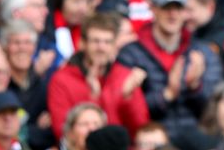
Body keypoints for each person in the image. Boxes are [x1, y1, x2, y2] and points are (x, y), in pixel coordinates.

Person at [117, 0, 222, 137]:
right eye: (166, 8)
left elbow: (213, 107)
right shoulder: (131, 53)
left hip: (194, 138)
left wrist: (195, 87)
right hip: (150, 138)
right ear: (153, 9)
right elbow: (124, 107)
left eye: (178, 8)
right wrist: (167, 95)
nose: (173, 14)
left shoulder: (203, 53)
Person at [47, 12, 150, 141]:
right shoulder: (62, 79)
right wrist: (92, 98)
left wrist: (128, 98)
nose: (101, 47)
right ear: (82, 43)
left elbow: (140, 130)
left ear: (114, 46)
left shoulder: (125, 76)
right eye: (96, 41)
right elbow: (62, 132)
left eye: (107, 42)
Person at [2, 20, 53, 150]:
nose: (22, 48)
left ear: (34, 48)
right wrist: (34, 129)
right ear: (5, 47)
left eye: (27, 43)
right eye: (16, 43)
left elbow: (51, 133)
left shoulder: (43, 84)